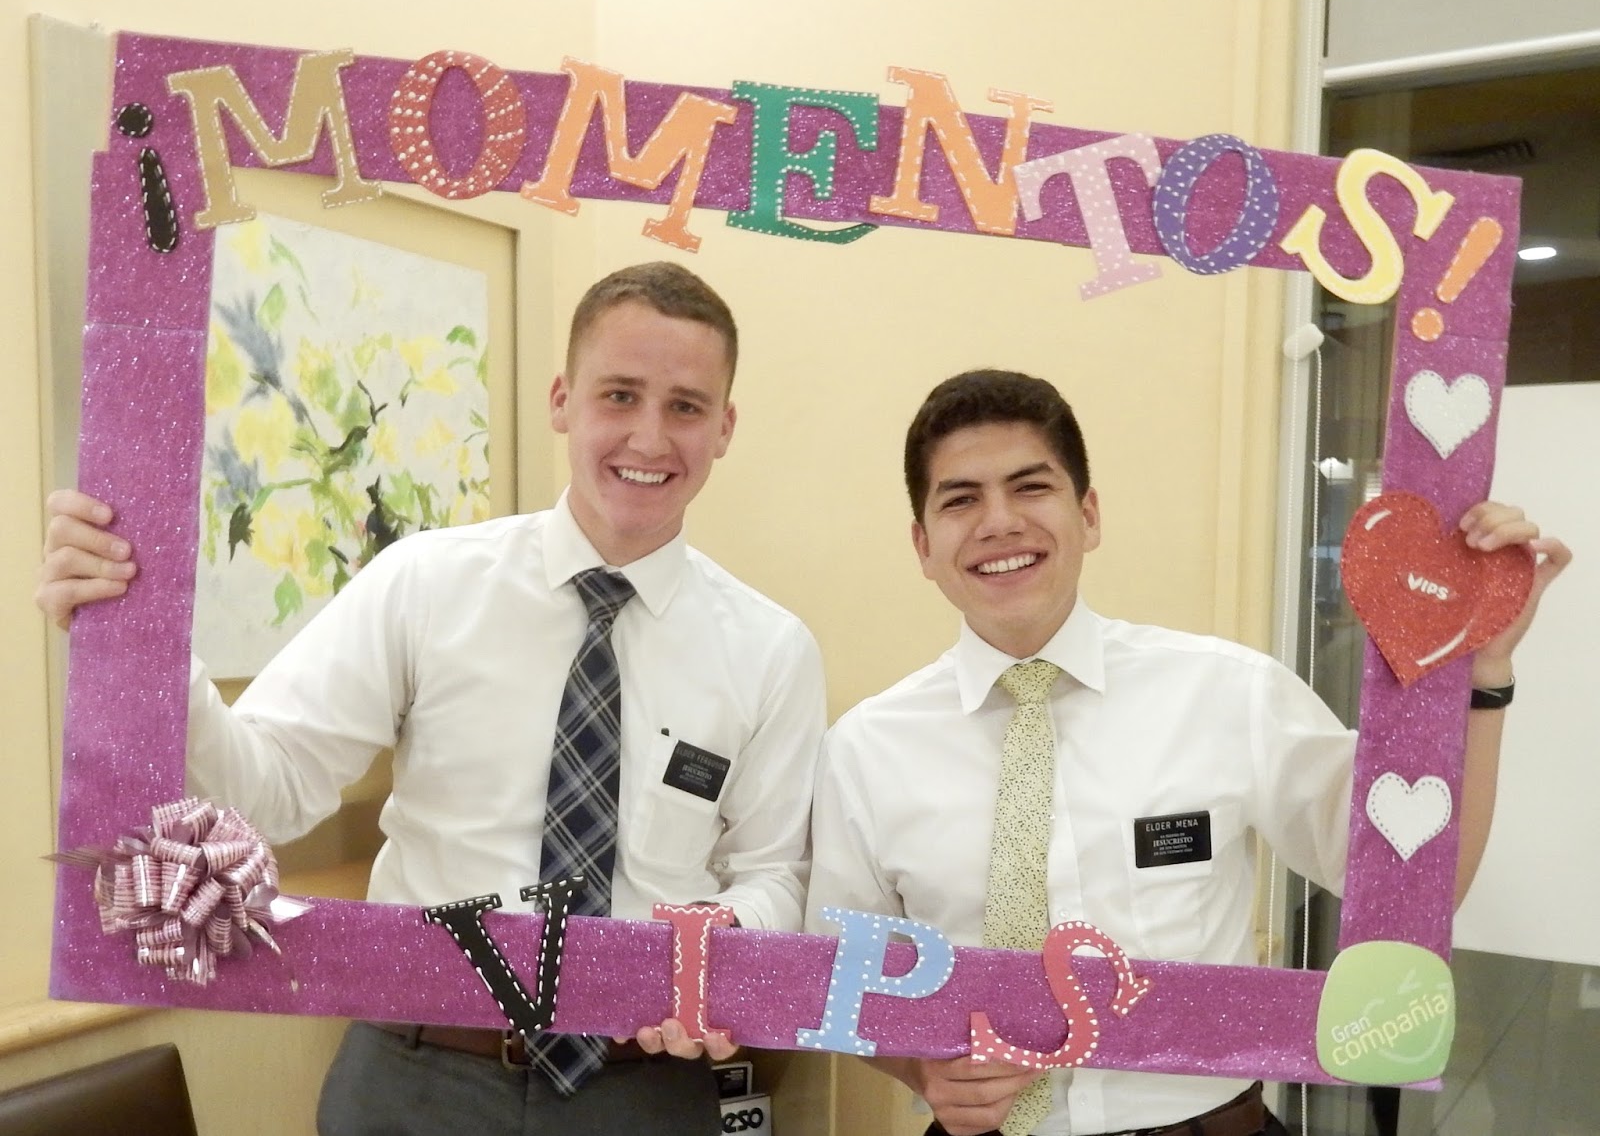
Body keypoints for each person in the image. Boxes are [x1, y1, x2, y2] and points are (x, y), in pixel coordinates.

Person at [38, 262, 828, 1136]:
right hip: (415, 1077)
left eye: (685, 406)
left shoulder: (772, 650)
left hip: (645, 1089)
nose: (649, 436)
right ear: (562, 400)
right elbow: (267, 790)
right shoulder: (425, 584)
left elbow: (775, 873)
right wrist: (146, 642)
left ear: (724, 427)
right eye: (619, 395)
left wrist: (719, 933)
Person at [804, 368, 1570, 1136]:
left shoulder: (1230, 693)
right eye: (960, 499)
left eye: (1031, 487)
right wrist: (919, 1071)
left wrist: (1480, 677)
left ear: (1089, 515)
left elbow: (1417, 883)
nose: (999, 522)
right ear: (923, 545)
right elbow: (836, 973)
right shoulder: (867, 748)